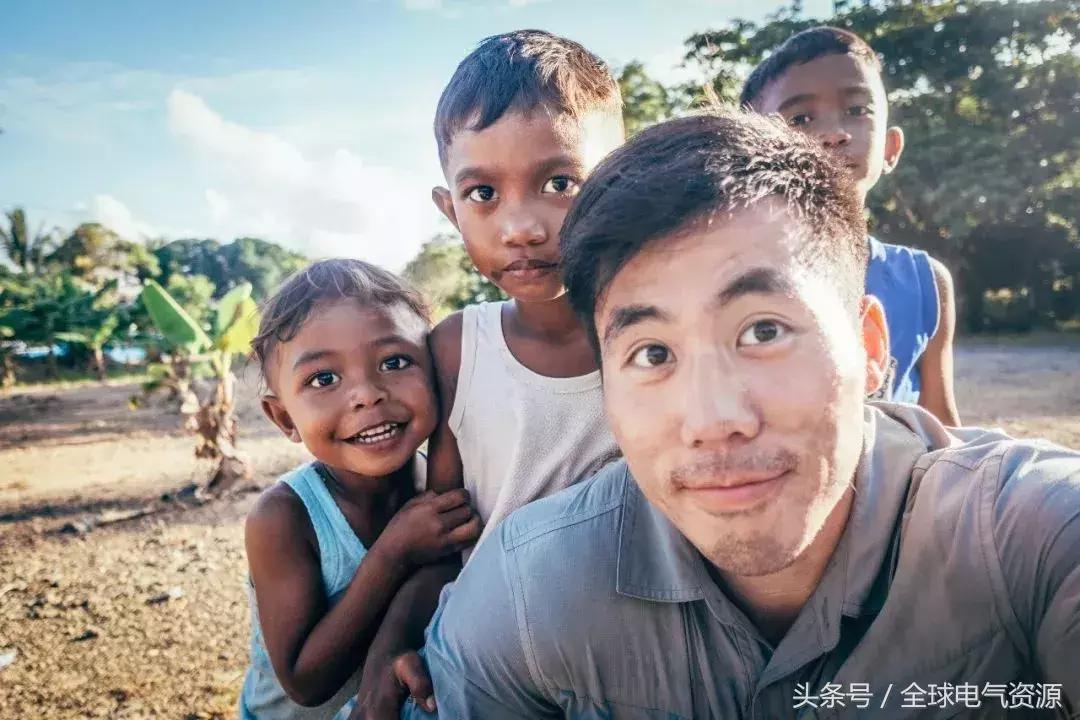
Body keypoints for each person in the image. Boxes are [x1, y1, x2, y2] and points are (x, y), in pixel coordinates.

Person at [399, 108, 1080, 718]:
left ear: (872, 347)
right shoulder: (524, 598)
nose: (714, 418)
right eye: (652, 352)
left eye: (763, 331)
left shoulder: (1027, 540)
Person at [352, 29, 626, 717]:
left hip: (629, 658)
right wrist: (388, 648)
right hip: (485, 658)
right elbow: (447, 536)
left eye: (560, 183)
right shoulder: (456, 350)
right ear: (450, 209)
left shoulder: (654, 339)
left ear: (617, 179)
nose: (522, 226)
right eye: (482, 193)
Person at [239, 259, 480, 719]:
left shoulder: (445, 484)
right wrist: (393, 553)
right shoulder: (283, 517)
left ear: (435, 372)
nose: (367, 394)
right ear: (284, 418)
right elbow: (304, 682)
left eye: (394, 362)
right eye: (324, 379)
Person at [742, 27, 961, 426]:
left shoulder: (925, 281)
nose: (835, 134)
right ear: (752, 152)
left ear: (891, 147)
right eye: (801, 118)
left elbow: (942, 423)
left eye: (858, 111)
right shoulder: (735, 276)